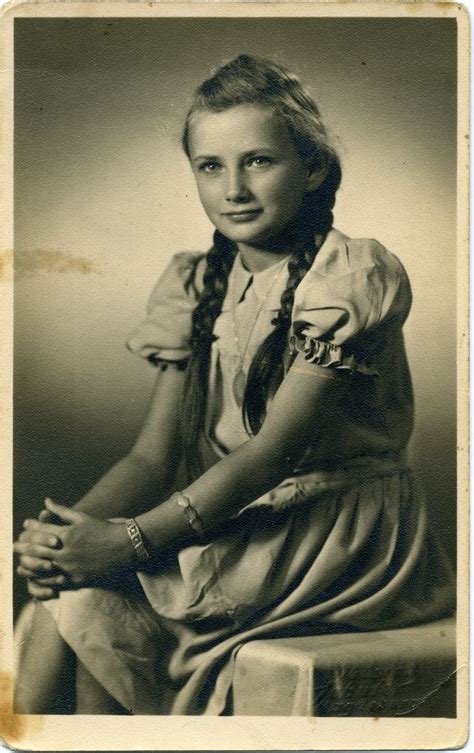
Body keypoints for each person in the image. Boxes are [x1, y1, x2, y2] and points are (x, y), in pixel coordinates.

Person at [13, 54, 455, 716]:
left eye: (259, 161)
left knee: (87, 604)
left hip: (337, 533)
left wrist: (128, 540)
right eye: (211, 166)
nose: (234, 189)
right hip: (243, 512)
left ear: (312, 169)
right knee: (66, 596)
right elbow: (151, 455)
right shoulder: (197, 282)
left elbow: (272, 452)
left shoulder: (348, 275)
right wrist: (68, 535)